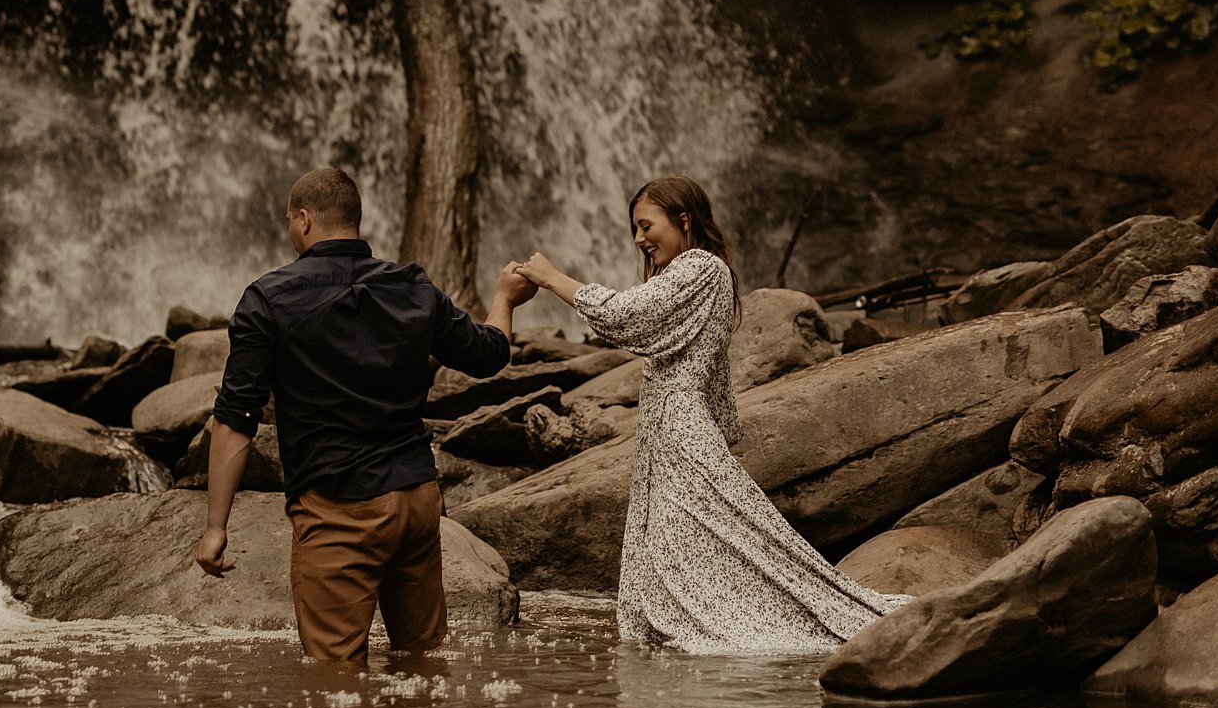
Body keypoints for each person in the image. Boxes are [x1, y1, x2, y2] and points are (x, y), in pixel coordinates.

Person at [514, 173, 912, 654]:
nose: (640, 239)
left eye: (646, 225)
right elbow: (715, 369)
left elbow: (622, 315)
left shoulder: (700, 267)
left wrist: (552, 278)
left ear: (684, 219)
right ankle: (674, 624)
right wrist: (721, 427)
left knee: (719, 541)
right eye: (634, 230)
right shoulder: (701, 274)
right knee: (694, 543)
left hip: (680, 427)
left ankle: (739, 624)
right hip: (675, 427)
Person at [192, 166, 536, 664]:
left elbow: (236, 416)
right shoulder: (413, 287)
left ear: (304, 220)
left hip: (338, 506)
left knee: (334, 688)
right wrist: (504, 298)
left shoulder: (268, 299)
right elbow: (488, 355)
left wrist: (215, 527)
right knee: (421, 665)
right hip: (416, 502)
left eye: (291, 221)